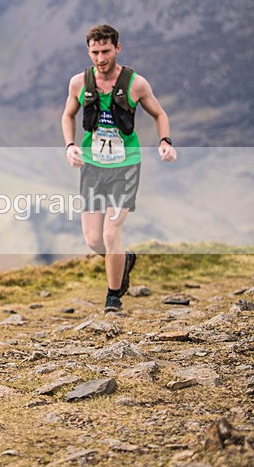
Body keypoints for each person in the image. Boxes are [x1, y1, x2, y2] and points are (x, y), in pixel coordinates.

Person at [61, 24, 177, 312]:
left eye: (106, 51)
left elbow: (159, 113)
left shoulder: (136, 84)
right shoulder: (79, 82)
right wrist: (70, 145)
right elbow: (67, 115)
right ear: (89, 51)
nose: (101, 58)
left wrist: (165, 141)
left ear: (118, 49)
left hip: (125, 166)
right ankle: (123, 259)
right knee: (93, 241)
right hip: (92, 166)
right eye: (95, 52)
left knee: (112, 233)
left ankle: (113, 296)